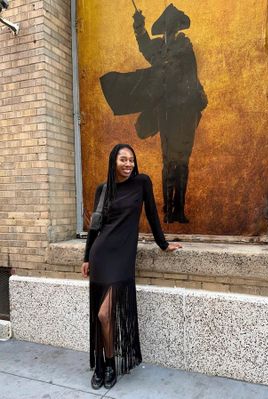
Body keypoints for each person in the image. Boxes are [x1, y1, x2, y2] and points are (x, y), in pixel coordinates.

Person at [81, 143, 182, 390]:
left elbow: (152, 214)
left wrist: (163, 244)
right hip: (101, 254)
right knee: (101, 315)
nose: (128, 164)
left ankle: (111, 363)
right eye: (123, 160)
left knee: (105, 314)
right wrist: (86, 257)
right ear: (113, 162)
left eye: (131, 160)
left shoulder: (142, 183)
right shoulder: (103, 190)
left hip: (123, 257)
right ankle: (102, 366)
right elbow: (95, 226)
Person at [100, 4, 208, 224]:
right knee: (169, 160)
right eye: (168, 23)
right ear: (164, 27)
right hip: (166, 111)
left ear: (178, 25)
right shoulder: (159, 47)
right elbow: (147, 48)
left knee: (183, 160)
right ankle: (168, 211)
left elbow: (181, 72)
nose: (171, 27)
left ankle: (179, 210)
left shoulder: (184, 46)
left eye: (174, 23)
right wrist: (139, 28)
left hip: (186, 110)